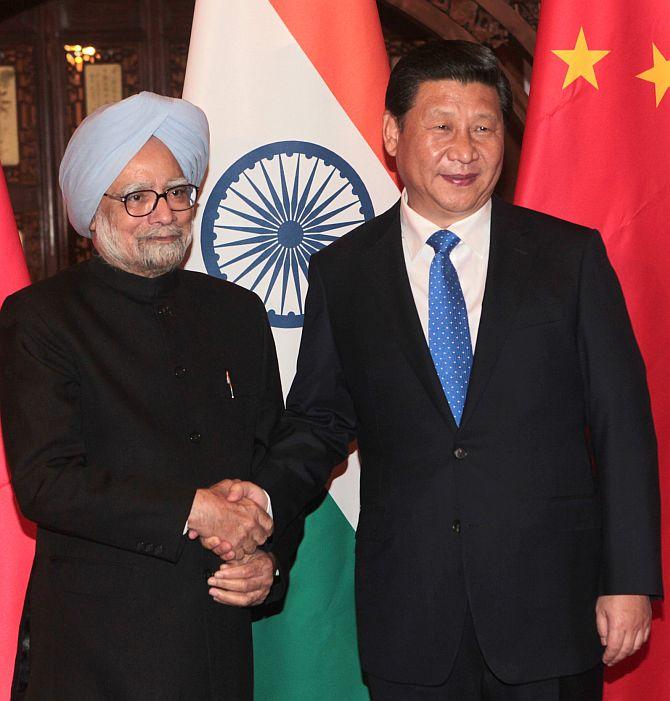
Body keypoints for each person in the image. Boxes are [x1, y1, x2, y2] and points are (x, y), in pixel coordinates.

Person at [215, 41, 662, 700]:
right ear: (394, 134)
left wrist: (629, 578)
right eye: (442, 125)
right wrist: (266, 497)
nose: (466, 148)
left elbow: (621, 422)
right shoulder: (346, 271)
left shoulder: (568, 259)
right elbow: (319, 420)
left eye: (484, 127)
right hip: (411, 610)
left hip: (549, 604)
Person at [0, 92, 298, 700]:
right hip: (99, 655)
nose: (163, 212)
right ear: (93, 209)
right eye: (136, 197)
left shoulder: (237, 313)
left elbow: (275, 462)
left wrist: (270, 563)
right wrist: (193, 509)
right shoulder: (41, 319)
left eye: (177, 191)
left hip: (217, 645)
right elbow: (46, 482)